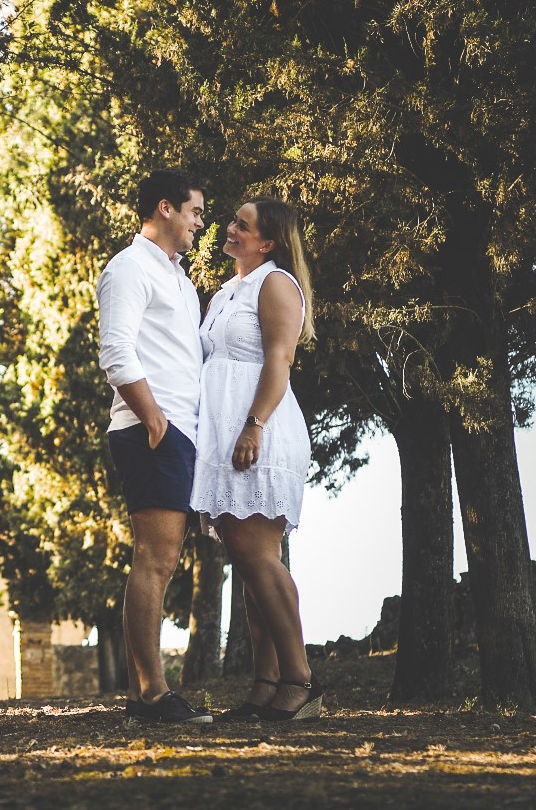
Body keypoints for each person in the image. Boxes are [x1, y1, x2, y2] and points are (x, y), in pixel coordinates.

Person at [190, 196, 322, 721]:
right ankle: (264, 687)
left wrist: (254, 425)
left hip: (259, 430)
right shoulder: (228, 291)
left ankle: (300, 679)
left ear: (267, 243)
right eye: (232, 222)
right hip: (226, 432)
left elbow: (279, 359)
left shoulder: (276, 284)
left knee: (258, 555)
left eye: (241, 226)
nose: (229, 229)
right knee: (249, 561)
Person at [96, 169, 211, 724]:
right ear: (165, 208)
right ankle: (151, 696)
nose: (200, 222)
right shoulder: (128, 267)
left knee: (165, 561)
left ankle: (150, 694)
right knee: (156, 560)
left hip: (180, 432)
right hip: (150, 431)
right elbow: (116, 352)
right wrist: (155, 421)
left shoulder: (183, 283)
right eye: (194, 211)